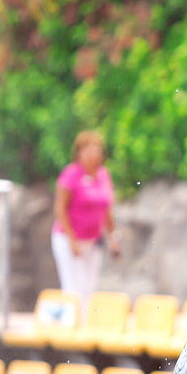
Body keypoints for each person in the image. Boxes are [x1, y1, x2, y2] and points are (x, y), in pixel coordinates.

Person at [51, 130, 120, 305]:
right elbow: (60, 210)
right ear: (79, 152)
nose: (93, 155)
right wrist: (72, 240)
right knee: (73, 286)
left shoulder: (104, 175)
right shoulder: (71, 175)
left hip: (93, 240)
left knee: (89, 286)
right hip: (69, 238)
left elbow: (106, 210)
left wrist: (113, 237)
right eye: (89, 150)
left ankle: (84, 326)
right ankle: (72, 328)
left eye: (96, 150)